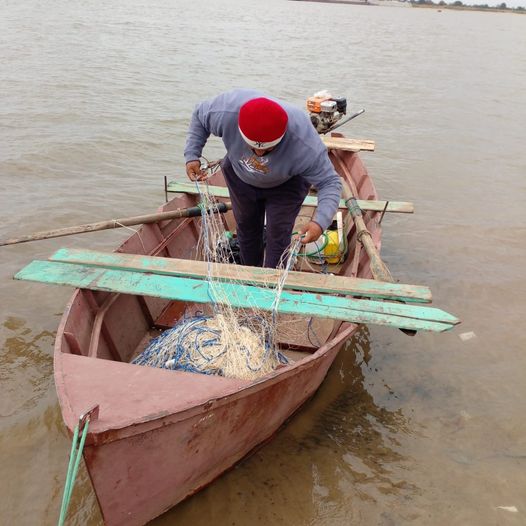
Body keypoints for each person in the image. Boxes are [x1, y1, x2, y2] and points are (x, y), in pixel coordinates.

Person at [184, 88, 342, 268]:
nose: (260, 154)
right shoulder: (225, 112)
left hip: (287, 184)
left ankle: (272, 282)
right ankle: (251, 276)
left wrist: (319, 223)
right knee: (246, 228)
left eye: (267, 150)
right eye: (253, 148)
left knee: (278, 234)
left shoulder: (305, 144)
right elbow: (199, 116)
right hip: (240, 175)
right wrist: (192, 155)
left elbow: (330, 182)